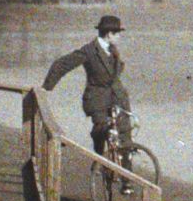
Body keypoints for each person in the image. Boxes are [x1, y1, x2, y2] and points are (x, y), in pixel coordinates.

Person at [43, 13, 132, 157]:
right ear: (109, 34)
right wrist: (46, 88)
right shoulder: (89, 51)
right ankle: (101, 163)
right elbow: (61, 65)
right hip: (97, 99)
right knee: (102, 131)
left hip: (117, 97)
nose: (120, 37)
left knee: (125, 135)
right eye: (118, 34)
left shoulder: (112, 48)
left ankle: (126, 176)